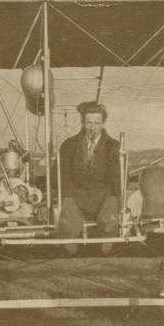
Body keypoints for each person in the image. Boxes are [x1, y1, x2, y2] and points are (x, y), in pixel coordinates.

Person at [56, 101, 121, 254]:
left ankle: (107, 234)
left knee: (111, 205)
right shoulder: (69, 145)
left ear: (103, 123)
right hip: (76, 195)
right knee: (68, 208)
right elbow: (60, 176)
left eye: (97, 123)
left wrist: (121, 203)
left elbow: (117, 178)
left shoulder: (113, 146)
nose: (92, 128)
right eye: (89, 123)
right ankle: (70, 236)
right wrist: (76, 194)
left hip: (102, 196)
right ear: (83, 123)